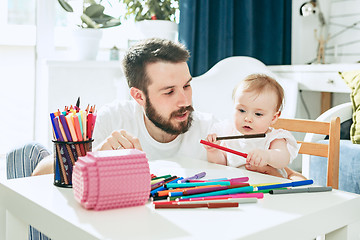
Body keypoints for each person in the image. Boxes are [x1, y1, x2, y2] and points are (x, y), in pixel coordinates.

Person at [31, 38, 217, 175]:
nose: (185, 101)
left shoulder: (210, 130)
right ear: (138, 96)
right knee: (28, 152)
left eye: (187, 86)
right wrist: (95, 156)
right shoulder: (114, 119)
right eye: (169, 92)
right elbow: (38, 174)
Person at [203, 74, 301, 179]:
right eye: (241, 110)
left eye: (258, 114)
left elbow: (283, 159)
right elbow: (220, 163)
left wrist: (267, 156)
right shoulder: (229, 132)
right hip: (238, 187)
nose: (248, 119)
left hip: (269, 187)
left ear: (273, 118)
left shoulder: (274, 138)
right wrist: (213, 151)